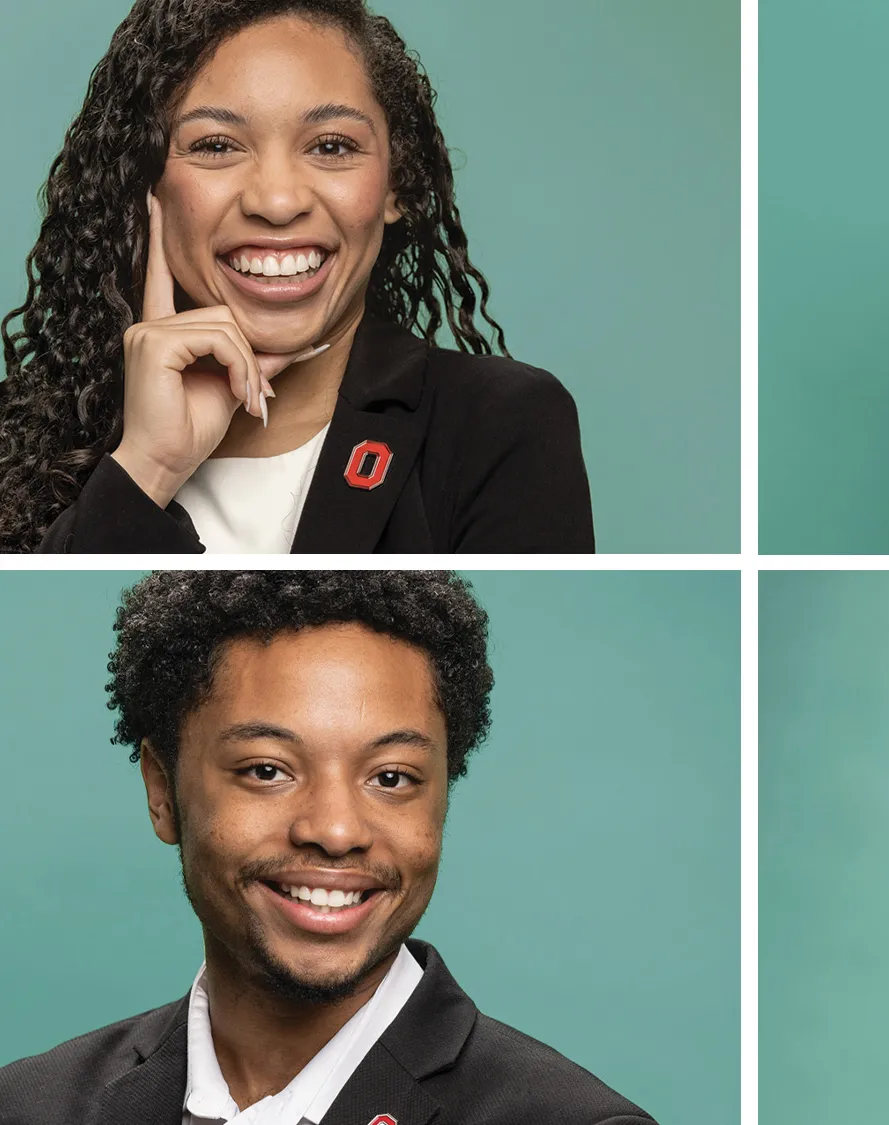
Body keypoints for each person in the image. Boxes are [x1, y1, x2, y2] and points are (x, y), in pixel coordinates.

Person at [0, 571, 653, 1125]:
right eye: (266, 769)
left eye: (392, 777)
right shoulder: (31, 1105)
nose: (336, 830)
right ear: (162, 790)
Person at [0, 0, 593, 553]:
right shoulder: (20, 440)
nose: (278, 201)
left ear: (396, 186)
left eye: (332, 146)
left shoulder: (501, 424)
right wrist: (148, 465)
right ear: (146, 184)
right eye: (215, 145)